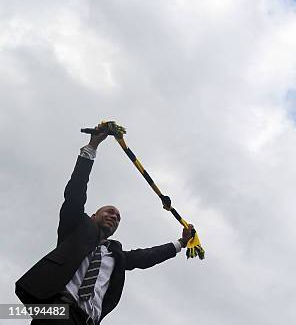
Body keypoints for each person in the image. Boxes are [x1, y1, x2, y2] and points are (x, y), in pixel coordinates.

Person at [15, 131, 193, 324]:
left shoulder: (116, 256)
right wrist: (92, 146)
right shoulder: (75, 228)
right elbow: (76, 192)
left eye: (117, 218)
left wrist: (182, 243)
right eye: (109, 212)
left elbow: (146, 257)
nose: (114, 217)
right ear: (93, 216)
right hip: (57, 309)